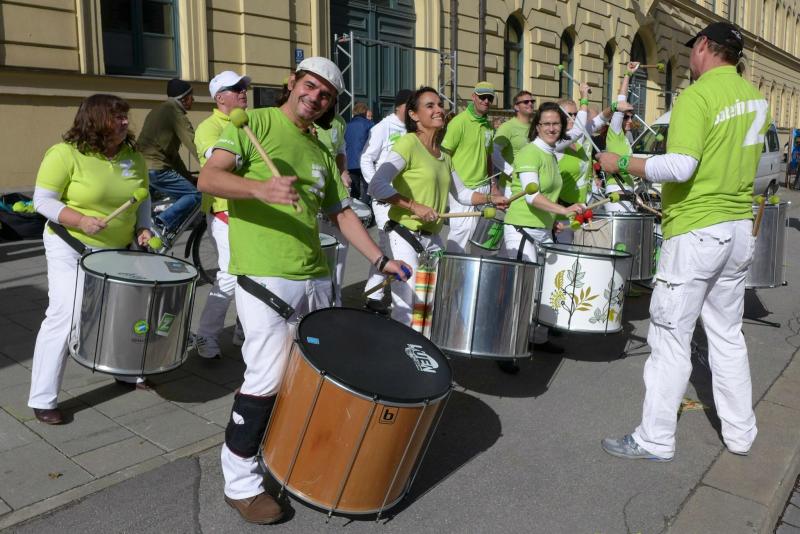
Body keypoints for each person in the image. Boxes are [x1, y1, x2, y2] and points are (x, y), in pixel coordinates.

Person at [198, 56, 410, 524]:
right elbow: (209, 178)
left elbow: (342, 213)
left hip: (315, 275)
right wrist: (260, 190)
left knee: (309, 378)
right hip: (264, 274)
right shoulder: (252, 122)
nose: (315, 98)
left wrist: (379, 259)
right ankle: (241, 484)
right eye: (309, 86)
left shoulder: (318, 148)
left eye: (325, 95)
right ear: (292, 83)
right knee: (266, 377)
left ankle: (284, 452)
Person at [597, 22, 764, 461]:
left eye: (693, 49)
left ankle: (654, 439)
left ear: (705, 46)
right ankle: (741, 435)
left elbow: (680, 166)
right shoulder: (754, 98)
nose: (691, 59)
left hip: (696, 230)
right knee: (727, 336)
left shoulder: (698, 95)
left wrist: (622, 162)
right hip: (737, 227)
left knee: (670, 336)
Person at [28, 94, 153, 424]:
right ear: (95, 121)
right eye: (117, 117)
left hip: (117, 248)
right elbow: (42, 201)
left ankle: (124, 369)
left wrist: (144, 227)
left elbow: (142, 197)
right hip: (70, 245)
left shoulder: (132, 156)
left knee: (122, 311)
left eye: (125, 116)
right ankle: (43, 396)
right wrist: (81, 220)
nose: (125, 122)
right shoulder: (64, 153)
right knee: (66, 313)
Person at [369, 87, 508, 327]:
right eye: (430, 106)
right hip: (404, 234)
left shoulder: (444, 155)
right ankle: (401, 348)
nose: (439, 110)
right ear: (414, 115)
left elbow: (462, 194)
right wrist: (413, 205)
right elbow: (377, 185)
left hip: (432, 239)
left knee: (433, 301)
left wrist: (491, 198)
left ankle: (423, 345)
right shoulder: (408, 144)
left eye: (440, 105)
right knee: (408, 305)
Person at [500, 102, 586, 370]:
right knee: (522, 292)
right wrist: (563, 210)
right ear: (537, 126)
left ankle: (538, 337)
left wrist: (556, 220)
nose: (551, 128)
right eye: (546, 123)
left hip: (543, 229)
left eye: (556, 123)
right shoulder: (529, 153)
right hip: (521, 230)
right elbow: (532, 195)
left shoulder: (551, 154)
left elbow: (548, 196)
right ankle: (506, 349)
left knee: (548, 286)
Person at [192, 70, 251, 359]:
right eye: (236, 88)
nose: (243, 92)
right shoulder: (208, 127)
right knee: (229, 275)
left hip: (252, 209)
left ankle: (243, 329)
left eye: (243, 87)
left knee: (253, 274)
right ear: (220, 97)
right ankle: (206, 335)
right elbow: (218, 164)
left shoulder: (251, 121)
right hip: (224, 210)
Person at [360, 88, 413, 314]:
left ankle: (374, 294)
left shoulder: (413, 129)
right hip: (384, 200)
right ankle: (380, 297)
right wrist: (377, 188)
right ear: (399, 106)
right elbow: (366, 159)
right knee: (389, 245)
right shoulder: (383, 127)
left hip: (404, 199)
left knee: (391, 248)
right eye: (410, 106)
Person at [138, 78, 201, 246]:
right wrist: (213, 167)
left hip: (142, 167)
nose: (194, 100)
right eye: (191, 96)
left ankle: (147, 230)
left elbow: (172, 156)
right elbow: (193, 143)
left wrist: (188, 177)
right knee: (195, 195)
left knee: (146, 205)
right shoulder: (175, 113)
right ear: (184, 98)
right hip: (156, 168)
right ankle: (161, 222)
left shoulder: (158, 109)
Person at [441, 81, 496, 253]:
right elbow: (444, 155)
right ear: (473, 97)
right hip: (462, 188)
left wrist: (493, 185)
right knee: (460, 236)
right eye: (482, 97)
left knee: (482, 240)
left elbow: (488, 156)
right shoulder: (459, 122)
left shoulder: (488, 125)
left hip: (484, 187)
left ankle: (477, 269)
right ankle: (449, 268)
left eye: (489, 98)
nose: (486, 101)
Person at [315, 110, 351, 306]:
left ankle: (335, 301)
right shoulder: (303, 117)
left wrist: (343, 171)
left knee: (338, 251)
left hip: (332, 188)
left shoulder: (339, 121)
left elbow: (340, 149)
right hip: (311, 192)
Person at [493, 90, 536, 195]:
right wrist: (511, 172)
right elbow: (493, 152)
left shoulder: (535, 127)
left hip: (532, 184)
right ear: (516, 107)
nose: (530, 104)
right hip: (510, 187)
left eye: (532, 101)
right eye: (526, 102)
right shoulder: (508, 127)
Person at [344, 101, 374, 202]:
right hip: (365, 160)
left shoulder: (346, 125)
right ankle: (366, 208)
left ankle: (355, 209)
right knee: (367, 188)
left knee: (354, 190)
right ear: (365, 112)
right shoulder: (369, 124)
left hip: (350, 161)